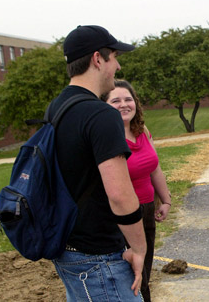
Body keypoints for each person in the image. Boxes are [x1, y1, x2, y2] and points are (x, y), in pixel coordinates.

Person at [49, 25, 146, 301]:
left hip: (67, 249)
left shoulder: (56, 108)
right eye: (114, 56)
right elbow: (119, 194)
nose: (117, 65)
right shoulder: (101, 115)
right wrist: (139, 248)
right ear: (97, 59)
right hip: (100, 259)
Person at [102, 80, 172, 302]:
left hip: (147, 210)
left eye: (128, 99)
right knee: (129, 276)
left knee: (145, 271)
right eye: (115, 100)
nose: (123, 104)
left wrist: (166, 200)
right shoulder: (105, 137)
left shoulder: (142, 131)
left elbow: (155, 168)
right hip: (121, 216)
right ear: (104, 106)